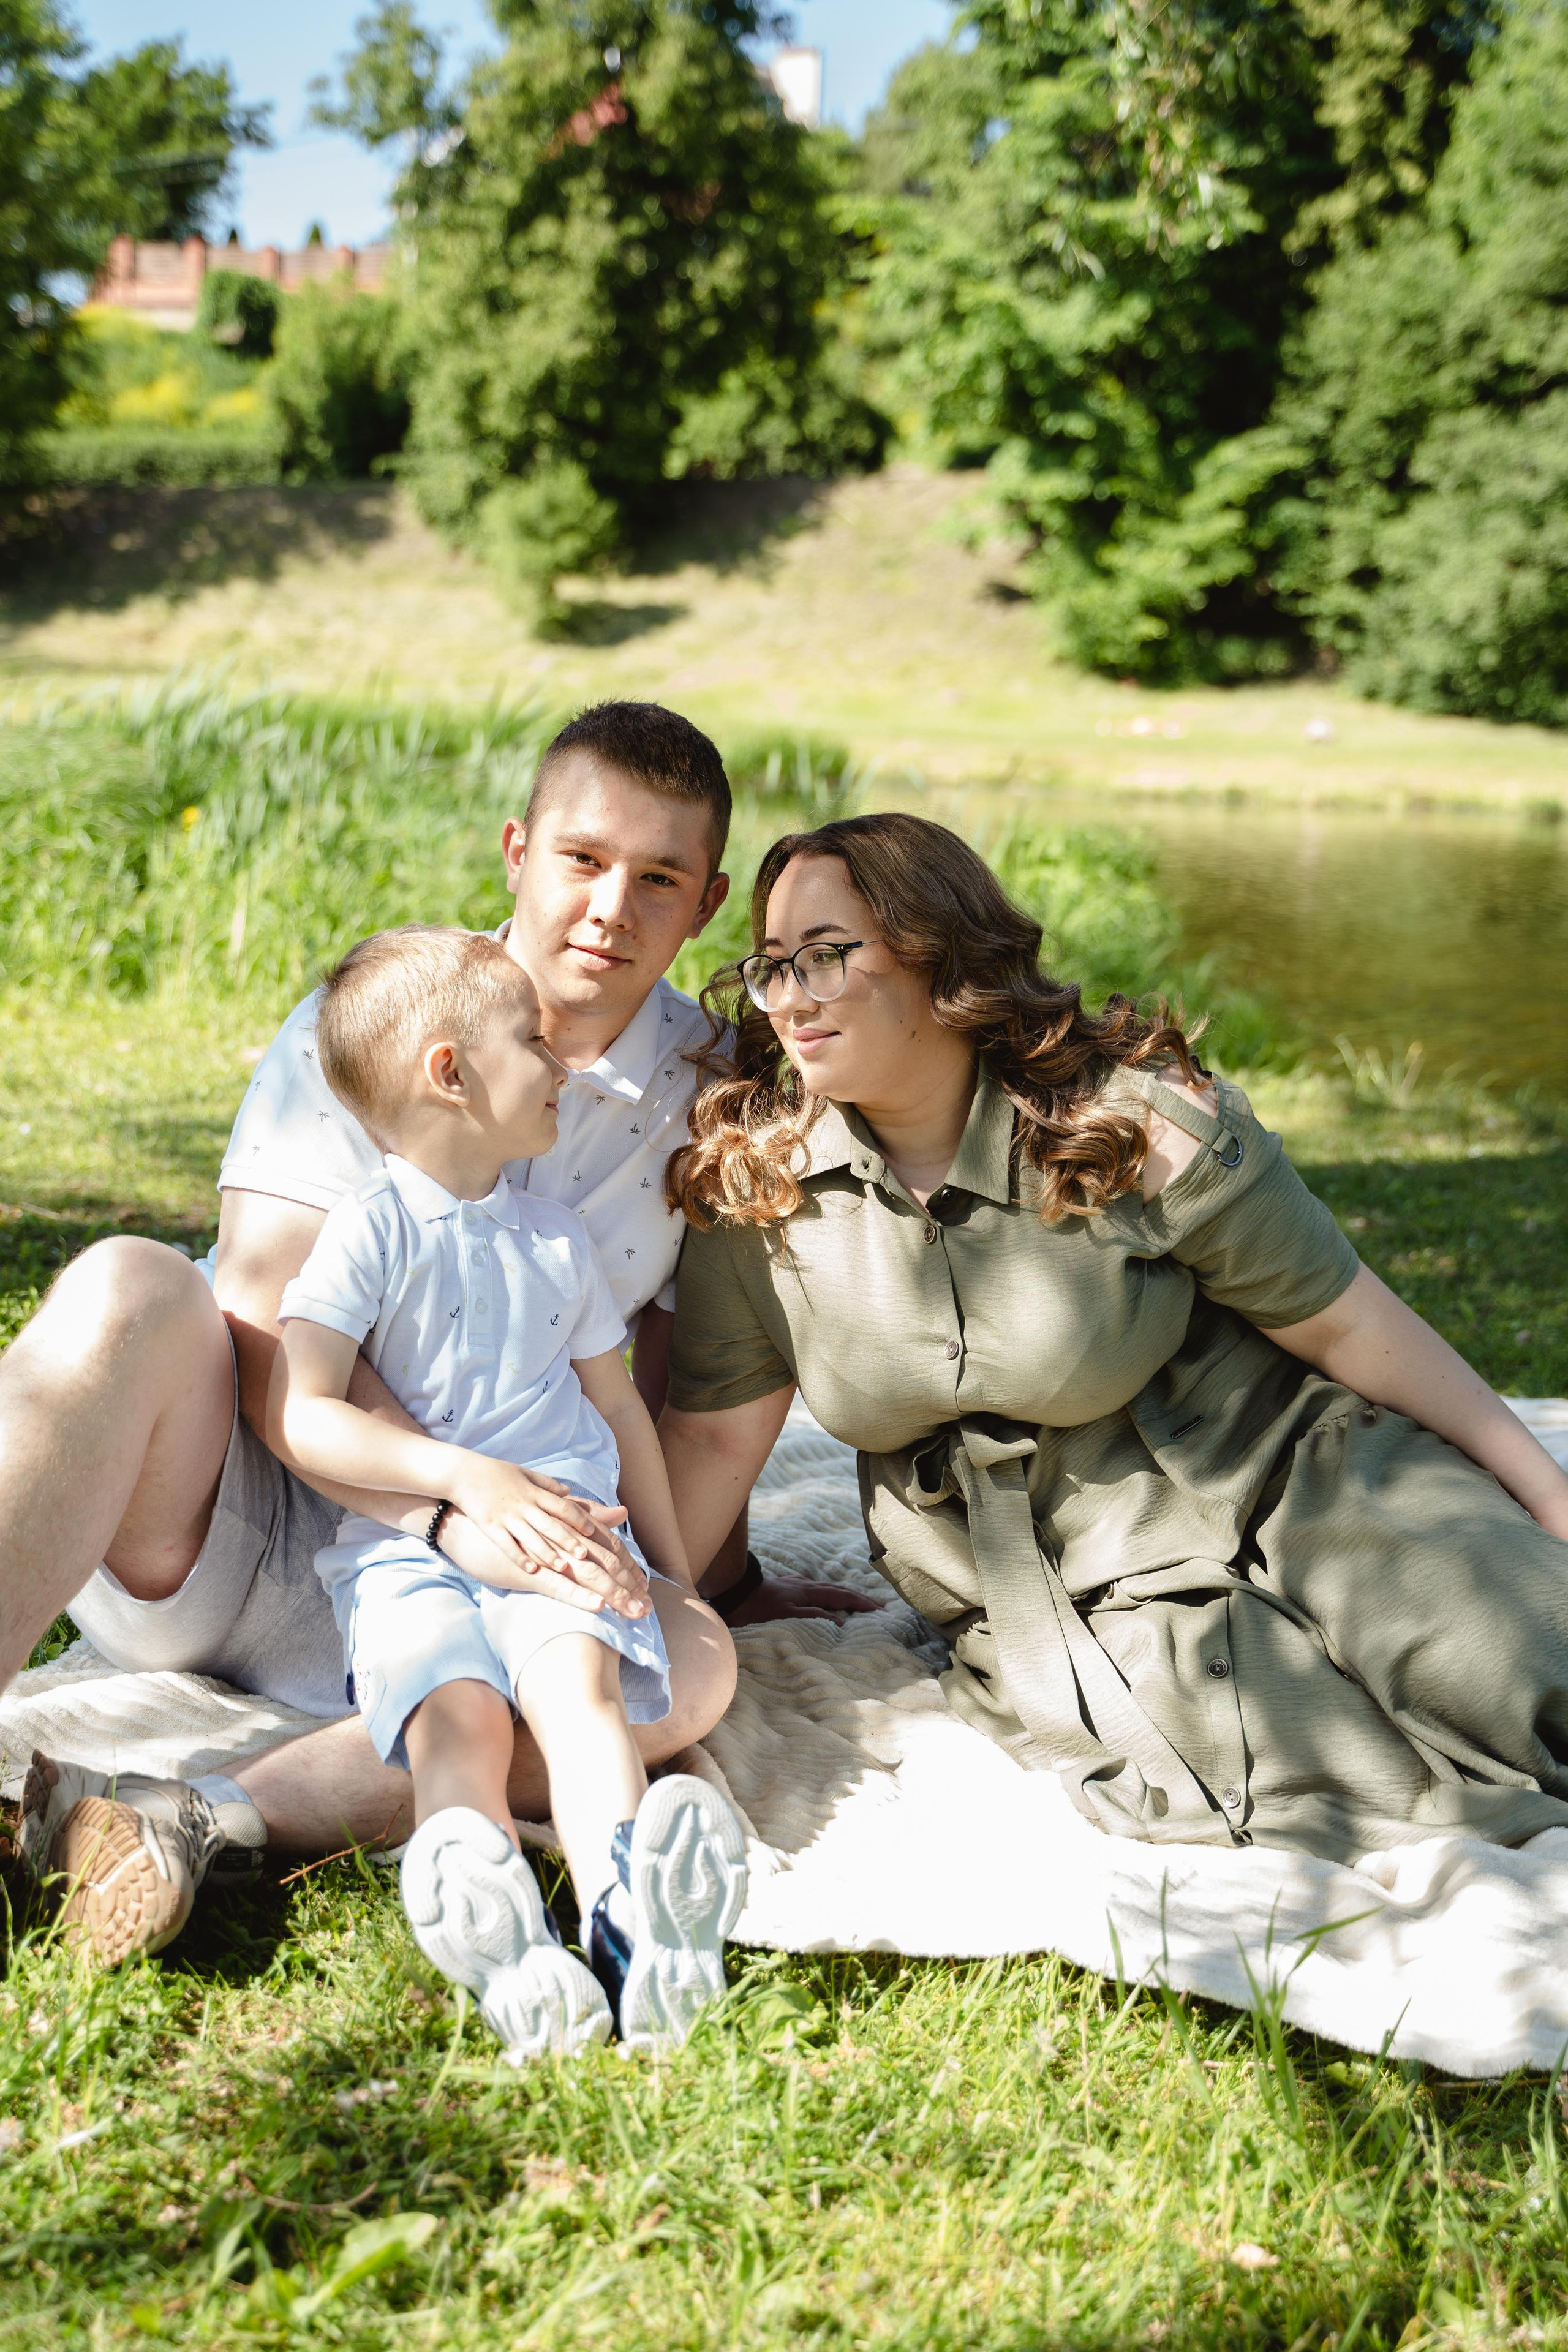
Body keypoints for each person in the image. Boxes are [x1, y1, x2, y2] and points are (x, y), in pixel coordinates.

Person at [8, 701, 865, 1965]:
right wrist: (445, 1504)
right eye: (582, 859)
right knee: (132, 1283)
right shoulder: (377, 1016)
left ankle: (191, 1823)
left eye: (658, 879)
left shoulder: (710, 1092)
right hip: (230, 1521)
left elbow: (683, 1386)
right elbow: (256, 1321)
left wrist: (706, 1581)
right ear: (517, 850)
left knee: (688, 1672)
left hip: (483, 1601)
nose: (609, 908)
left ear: (704, 903)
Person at [658, 812, 1568, 1865]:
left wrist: (1544, 1491)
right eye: (772, 967)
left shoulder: (1133, 1124)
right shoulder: (754, 1197)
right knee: (1323, 1775)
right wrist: (630, 1639)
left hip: (1295, 1473)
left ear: (939, 955)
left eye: (826, 956)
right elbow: (714, 1445)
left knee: (1518, 1658)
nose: (789, 999)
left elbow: (1349, 1322)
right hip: (1084, 1587)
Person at [269, 925, 745, 2055]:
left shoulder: (557, 1239)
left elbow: (621, 1410)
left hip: (561, 1539)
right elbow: (304, 1409)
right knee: (458, 1718)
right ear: (450, 1072)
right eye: (533, 1041)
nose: (563, 1064)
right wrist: (459, 1478)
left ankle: (632, 1923)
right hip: (409, 1550)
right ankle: (505, 1943)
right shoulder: (368, 1231)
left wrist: (675, 1575)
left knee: (576, 1692)